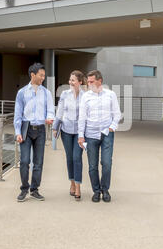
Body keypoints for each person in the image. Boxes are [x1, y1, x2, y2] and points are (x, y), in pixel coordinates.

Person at [78, 70, 121, 203]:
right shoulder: (86, 96)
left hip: (107, 134)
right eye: (88, 82)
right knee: (92, 165)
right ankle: (96, 191)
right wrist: (81, 135)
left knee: (107, 163)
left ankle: (105, 190)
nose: (89, 84)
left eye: (91, 81)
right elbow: (82, 117)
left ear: (99, 81)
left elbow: (117, 114)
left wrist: (111, 127)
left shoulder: (110, 95)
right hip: (90, 135)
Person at [14, 63, 55, 202]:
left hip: (41, 130)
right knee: (24, 161)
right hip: (26, 129)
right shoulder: (22, 93)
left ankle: (35, 189)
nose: (43, 77)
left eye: (44, 75)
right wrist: (17, 132)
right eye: (41, 75)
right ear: (33, 75)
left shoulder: (46, 93)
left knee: (38, 162)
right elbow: (17, 114)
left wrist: (50, 118)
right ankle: (24, 188)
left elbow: (50, 110)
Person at [53, 71, 86, 201]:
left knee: (77, 157)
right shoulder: (64, 94)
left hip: (80, 132)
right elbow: (60, 110)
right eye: (70, 80)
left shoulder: (85, 96)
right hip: (66, 130)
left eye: (73, 80)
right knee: (69, 158)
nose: (70, 82)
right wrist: (55, 127)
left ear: (80, 82)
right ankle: (72, 183)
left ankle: (78, 186)